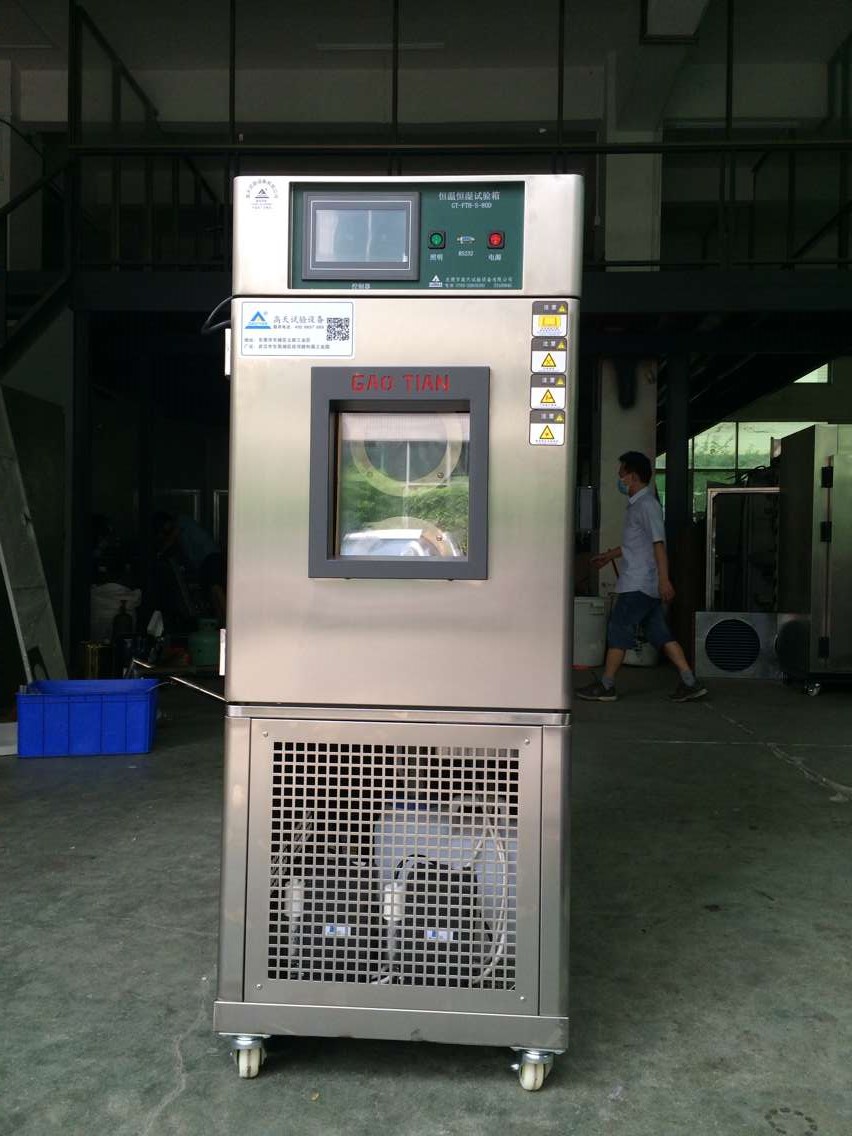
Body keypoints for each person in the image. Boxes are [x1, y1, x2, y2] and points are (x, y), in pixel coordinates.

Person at [576, 451, 707, 704]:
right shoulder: (638, 505)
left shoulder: (647, 505)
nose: (619, 478)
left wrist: (664, 580)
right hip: (643, 583)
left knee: (618, 629)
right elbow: (636, 544)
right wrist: (609, 556)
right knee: (660, 634)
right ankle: (690, 682)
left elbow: (658, 544)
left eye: (621, 474)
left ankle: (607, 685)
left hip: (638, 584)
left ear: (633, 476)